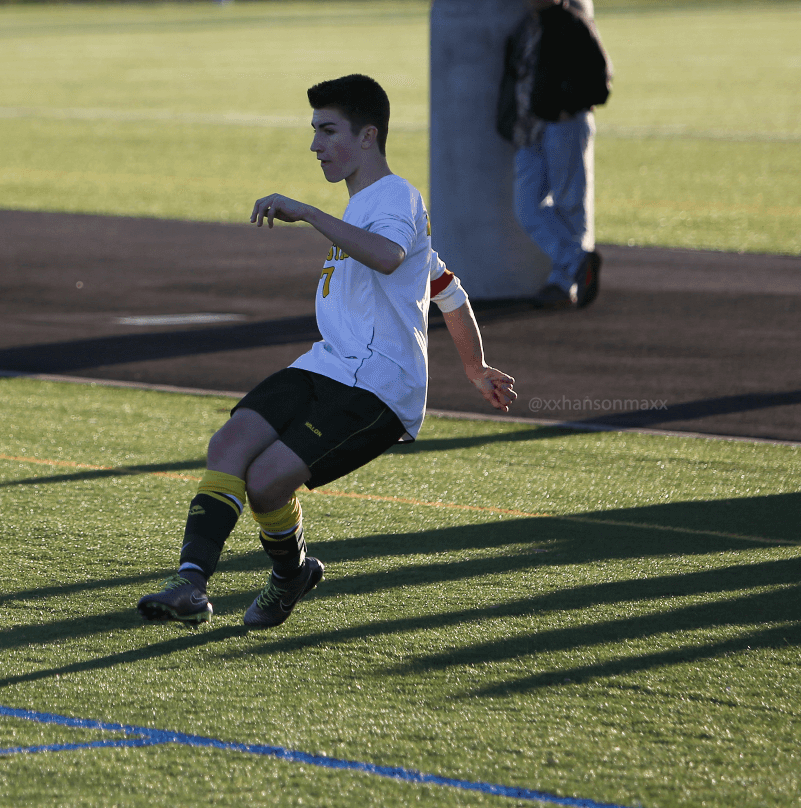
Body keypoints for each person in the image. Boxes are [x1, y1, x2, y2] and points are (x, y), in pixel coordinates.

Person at [137, 74, 518, 630]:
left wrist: (311, 214)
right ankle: (192, 585)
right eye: (314, 130)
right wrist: (474, 365)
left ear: (368, 136)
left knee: (267, 482)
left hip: (378, 386)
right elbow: (446, 289)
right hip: (328, 365)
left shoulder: (396, 197)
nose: (316, 144)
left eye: (328, 130)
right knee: (229, 444)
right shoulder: (367, 206)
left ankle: (286, 575)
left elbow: (388, 257)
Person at [496, 0, 611, 310]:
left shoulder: (573, 25)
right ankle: (579, 262)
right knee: (527, 207)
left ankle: (562, 284)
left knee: (569, 205)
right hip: (528, 132)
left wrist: (565, 105)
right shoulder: (523, 29)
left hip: (564, 126)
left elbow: (600, 82)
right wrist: (507, 122)